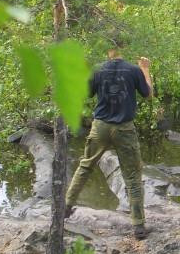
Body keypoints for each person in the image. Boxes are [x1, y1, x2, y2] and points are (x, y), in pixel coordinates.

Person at [64, 42, 153, 239]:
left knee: (85, 166)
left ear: (107, 49)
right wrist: (145, 69)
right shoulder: (133, 70)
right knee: (132, 176)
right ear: (124, 48)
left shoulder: (98, 69)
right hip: (125, 128)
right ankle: (138, 226)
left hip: (101, 126)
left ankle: (66, 207)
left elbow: (87, 94)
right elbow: (148, 94)